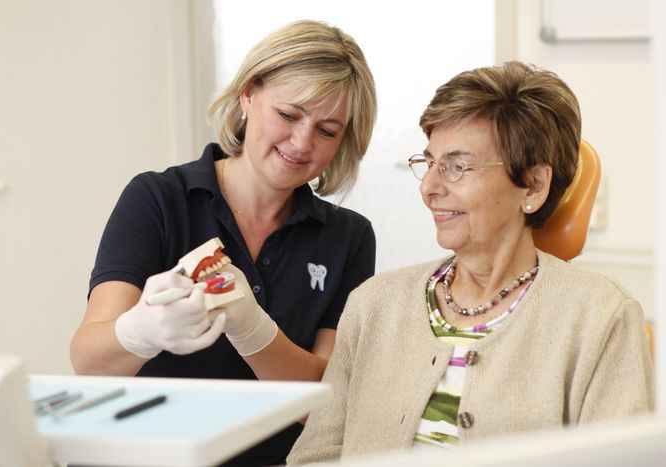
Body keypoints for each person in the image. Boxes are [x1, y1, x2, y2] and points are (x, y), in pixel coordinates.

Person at [286, 61, 653, 465]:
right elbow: (315, 455)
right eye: (429, 163)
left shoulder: (601, 316)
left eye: (457, 167)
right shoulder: (372, 305)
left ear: (533, 185)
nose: (429, 188)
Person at [69, 19, 377, 466]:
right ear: (249, 95)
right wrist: (142, 330)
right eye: (289, 115)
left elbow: (325, 405)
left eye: (327, 131)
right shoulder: (159, 198)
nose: (301, 142)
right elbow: (89, 362)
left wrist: (251, 327)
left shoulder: (348, 237)